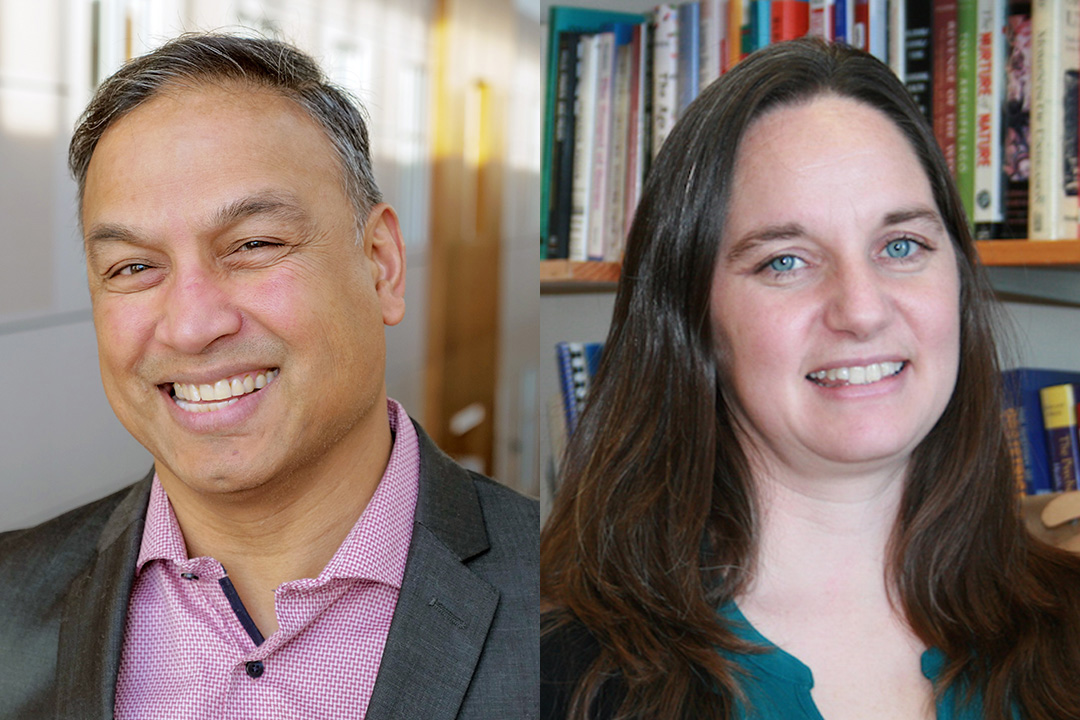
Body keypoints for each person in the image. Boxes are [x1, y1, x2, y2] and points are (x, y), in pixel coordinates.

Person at [0, 33, 538, 719]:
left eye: (254, 245)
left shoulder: (563, 594)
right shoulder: (11, 598)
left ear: (381, 265)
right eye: (134, 267)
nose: (192, 326)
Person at [540, 38, 1080, 720]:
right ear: (691, 316)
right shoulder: (558, 675)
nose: (861, 309)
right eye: (785, 262)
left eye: (901, 246)